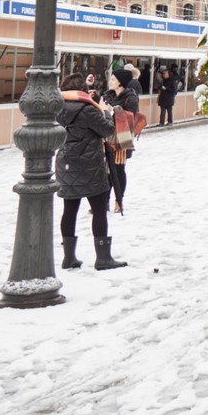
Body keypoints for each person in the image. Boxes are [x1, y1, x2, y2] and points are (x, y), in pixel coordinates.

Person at [55, 72, 126, 271]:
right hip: (89, 166)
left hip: (65, 164)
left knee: (69, 210)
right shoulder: (88, 110)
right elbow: (107, 130)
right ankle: (103, 258)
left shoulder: (58, 109)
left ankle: (69, 258)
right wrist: (105, 111)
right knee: (98, 208)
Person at [107, 68, 138, 215]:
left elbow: (131, 117)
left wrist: (113, 111)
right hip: (107, 138)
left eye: (113, 79)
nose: (110, 81)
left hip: (121, 141)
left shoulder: (130, 97)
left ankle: (119, 201)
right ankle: (103, 201)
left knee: (118, 171)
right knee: (105, 172)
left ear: (120, 83)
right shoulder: (109, 96)